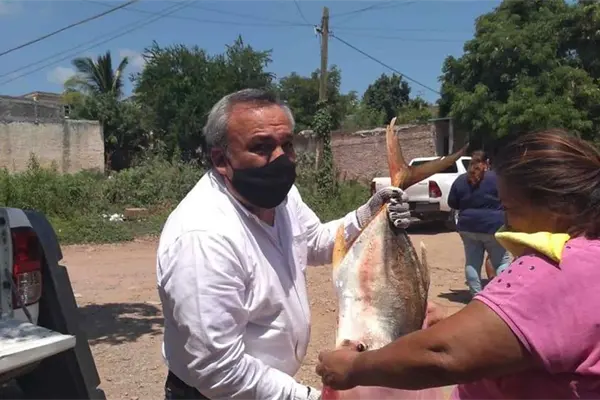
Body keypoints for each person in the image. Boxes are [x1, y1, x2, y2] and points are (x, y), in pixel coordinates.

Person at [156, 88, 412, 400]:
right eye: (261, 147)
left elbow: (314, 241)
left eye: (286, 145)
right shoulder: (204, 238)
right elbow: (218, 369)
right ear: (221, 159)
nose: (280, 158)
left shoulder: (283, 198)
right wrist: (309, 398)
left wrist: (369, 215)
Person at [315, 128, 600, 399]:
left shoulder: (555, 268)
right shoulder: (589, 256)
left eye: (510, 208)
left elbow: (442, 355)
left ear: (560, 208)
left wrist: (354, 367)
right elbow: (539, 331)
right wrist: (455, 320)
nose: (507, 221)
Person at [447, 150, 511, 296]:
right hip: (493, 226)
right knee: (501, 262)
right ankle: (504, 295)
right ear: (487, 162)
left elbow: (452, 203)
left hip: (467, 227)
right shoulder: (497, 178)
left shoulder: (460, 180)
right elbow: (509, 199)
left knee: (472, 263)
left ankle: (476, 296)